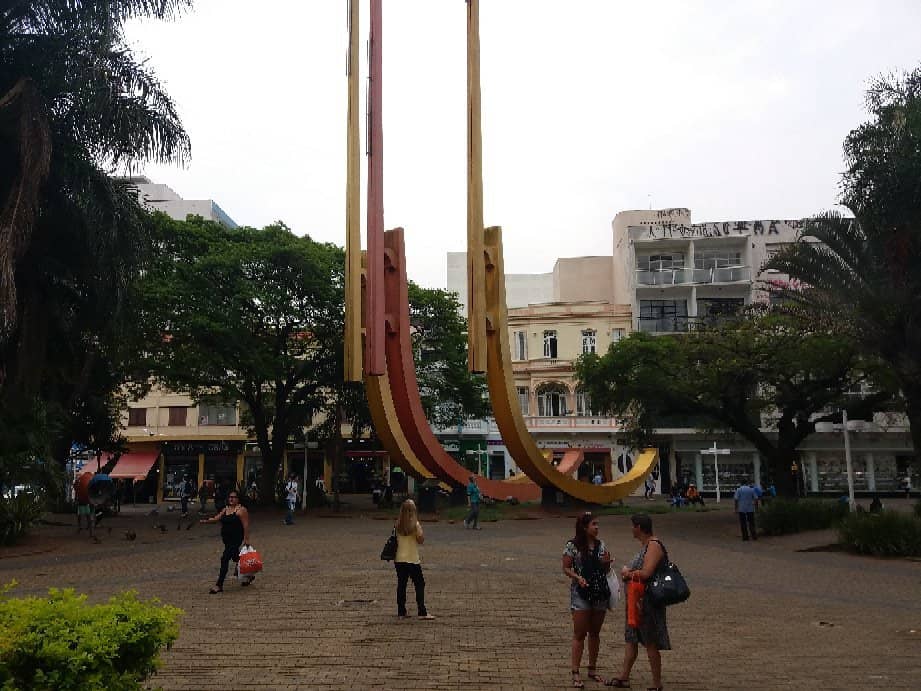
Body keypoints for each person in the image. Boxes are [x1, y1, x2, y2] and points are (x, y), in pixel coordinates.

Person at [607, 514, 670, 690]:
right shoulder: (645, 546)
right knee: (631, 638)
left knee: (650, 641)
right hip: (635, 602)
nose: (631, 529)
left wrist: (628, 573)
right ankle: (624, 676)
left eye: (633, 526)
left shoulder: (654, 545)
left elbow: (647, 573)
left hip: (647, 603)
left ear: (639, 528)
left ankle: (657, 683)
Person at [562, 512, 613, 688]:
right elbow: (566, 567)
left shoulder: (600, 545)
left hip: (599, 592)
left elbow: (605, 570)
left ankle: (592, 669)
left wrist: (607, 563)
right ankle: (575, 671)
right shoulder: (572, 546)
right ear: (584, 527)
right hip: (581, 592)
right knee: (579, 633)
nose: (597, 528)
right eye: (594, 524)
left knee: (595, 633)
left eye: (598, 524)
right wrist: (577, 577)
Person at [200, 489, 251, 593]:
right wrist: (206, 521)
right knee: (236, 557)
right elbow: (216, 518)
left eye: (233, 497)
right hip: (226, 539)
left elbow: (245, 525)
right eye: (230, 497)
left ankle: (219, 584)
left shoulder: (241, 510)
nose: (231, 499)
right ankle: (249, 575)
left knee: (224, 559)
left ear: (238, 499)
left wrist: (246, 539)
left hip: (236, 539)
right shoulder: (225, 509)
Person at [393, 499, 435, 620]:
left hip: (399, 559)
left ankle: (401, 611)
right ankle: (422, 611)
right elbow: (421, 540)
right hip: (412, 559)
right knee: (419, 584)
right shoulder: (415, 525)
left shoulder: (398, 524)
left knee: (402, 584)